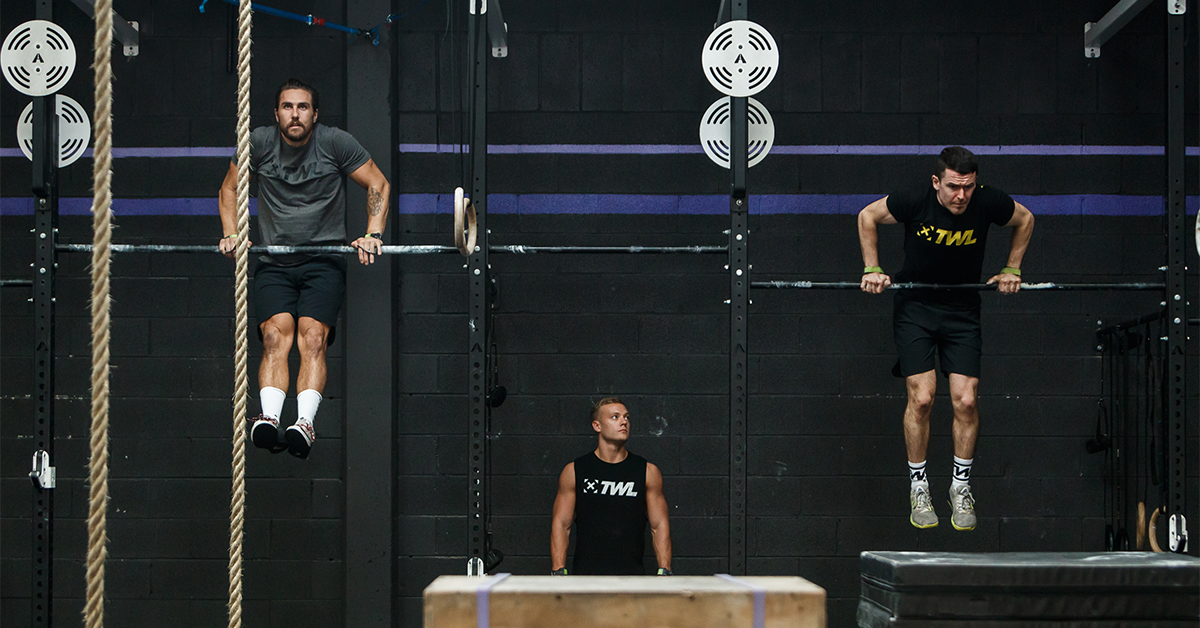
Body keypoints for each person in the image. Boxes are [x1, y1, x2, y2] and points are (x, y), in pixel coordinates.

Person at [857, 146, 1034, 531]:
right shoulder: (914, 199)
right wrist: (872, 267)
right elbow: (867, 215)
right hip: (916, 305)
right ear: (937, 182)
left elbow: (1025, 218)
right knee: (922, 397)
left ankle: (960, 486)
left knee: (966, 400)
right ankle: (919, 486)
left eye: (968, 187)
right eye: (954, 187)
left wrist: (1011, 269)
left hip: (962, 309)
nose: (961, 196)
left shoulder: (987, 201)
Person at [217, 78, 390, 459]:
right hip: (274, 261)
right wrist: (231, 233)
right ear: (276, 113)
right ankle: (269, 419)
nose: (295, 114)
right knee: (275, 337)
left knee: (311, 338)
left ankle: (305, 424)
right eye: (287, 106)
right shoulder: (259, 143)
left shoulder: (334, 143)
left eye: (303, 107)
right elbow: (229, 188)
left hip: (323, 260)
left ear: (315, 114)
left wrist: (373, 233)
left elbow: (377, 182)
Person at [550, 397, 672, 575]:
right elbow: (561, 523)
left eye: (627, 417)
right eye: (615, 417)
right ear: (597, 426)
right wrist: (558, 570)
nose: (624, 422)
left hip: (632, 579)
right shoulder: (575, 471)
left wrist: (665, 570)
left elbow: (659, 524)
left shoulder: (647, 471)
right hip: (586, 579)